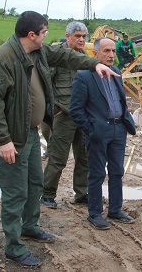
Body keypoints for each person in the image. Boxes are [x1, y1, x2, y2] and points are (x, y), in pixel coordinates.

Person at [0, 11, 118, 268]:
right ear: (31, 34)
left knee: (35, 183)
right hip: (12, 137)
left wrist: (94, 63)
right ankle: (13, 245)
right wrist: (2, 140)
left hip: (31, 132)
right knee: (15, 191)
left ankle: (30, 226)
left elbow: (65, 56)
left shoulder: (39, 51)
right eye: (43, 32)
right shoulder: (3, 58)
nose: (46, 37)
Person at [70, 37, 137, 230]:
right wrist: (91, 129)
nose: (111, 55)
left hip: (118, 129)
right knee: (97, 173)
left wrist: (125, 122)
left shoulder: (116, 72)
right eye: (106, 51)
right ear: (95, 53)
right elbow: (76, 109)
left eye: (113, 51)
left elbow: (121, 101)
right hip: (99, 132)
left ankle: (115, 210)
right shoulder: (84, 76)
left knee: (117, 171)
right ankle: (95, 213)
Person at [41, 22, 90, 209]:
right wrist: (54, 110)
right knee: (57, 157)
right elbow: (45, 85)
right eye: (77, 36)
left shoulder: (84, 58)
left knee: (84, 157)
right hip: (64, 116)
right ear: (67, 36)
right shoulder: (56, 56)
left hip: (83, 118)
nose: (81, 39)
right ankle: (47, 194)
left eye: (84, 36)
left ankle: (82, 193)